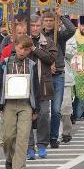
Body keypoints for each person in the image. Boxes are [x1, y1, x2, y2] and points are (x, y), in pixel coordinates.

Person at [0, 35, 41, 169]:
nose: (23, 52)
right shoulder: (5, 63)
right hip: (9, 102)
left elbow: (35, 87)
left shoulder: (31, 65)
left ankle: (21, 166)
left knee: (23, 135)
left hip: (25, 104)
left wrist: (36, 108)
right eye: (21, 48)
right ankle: (9, 158)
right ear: (15, 46)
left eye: (27, 50)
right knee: (8, 136)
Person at [41, 8, 76, 148]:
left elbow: (72, 30)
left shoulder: (60, 36)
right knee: (44, 110)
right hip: (43, 75)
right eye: (46, 20)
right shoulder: (39, 36)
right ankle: (43, 136)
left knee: (56, 109)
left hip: (59, 75)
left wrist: (61, 16)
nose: (49, 23)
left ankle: (54, 137)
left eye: (51, 20)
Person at [27, 14, 57, 158]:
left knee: (44, 115)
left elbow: (50, 58)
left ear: (41, 26)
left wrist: (34, 49)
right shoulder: (22, 40)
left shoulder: (48, 42)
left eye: (37, 25)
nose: (35, 28)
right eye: (32, 25)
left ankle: (42, 145)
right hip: (25, 87)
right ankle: (29, 147)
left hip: (43, 85)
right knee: (26, 117)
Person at [61, 35, 77, 143]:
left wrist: (60, 43)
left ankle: (66, 131)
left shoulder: (68, 36)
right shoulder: (43, 34)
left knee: (65, 106)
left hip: (64, 75)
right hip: (47, 75)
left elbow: (72, 52)